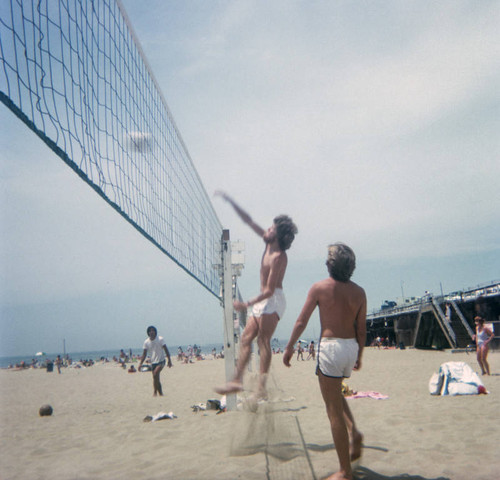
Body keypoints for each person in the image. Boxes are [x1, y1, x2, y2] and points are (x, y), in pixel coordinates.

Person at [283, 243, 366, 480]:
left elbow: (301, 321)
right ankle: (354, 433)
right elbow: (361, 329)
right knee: (336, 395)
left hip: (330, 348)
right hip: (350, 348)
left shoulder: (319, 288)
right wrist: (359, 355)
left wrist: (289, 347)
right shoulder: (360, 292)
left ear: (330, 265)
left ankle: (344, 472)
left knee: (333, 412)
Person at [214, 191, 297, 399]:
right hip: (262, 300)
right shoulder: (268, 242)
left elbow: (269, 290)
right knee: (245, 338)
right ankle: (236, 381)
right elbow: (248, 220)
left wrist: (245, 304)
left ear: (277, 235)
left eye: (271, 228)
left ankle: (261, 388)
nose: (267, 229)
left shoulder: (279, 256)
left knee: (263, 341)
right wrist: (231, 201)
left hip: (274, 298)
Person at [138, 326, 173, 396]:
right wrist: (140, 364)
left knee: (155, 373)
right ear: (148, 333)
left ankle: (155, 392)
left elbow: (166, 350)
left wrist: (169, 360)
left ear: (155, 332)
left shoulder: (160, 339)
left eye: (153, 331)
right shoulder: (146, 342)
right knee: (155, 377)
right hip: (153, 362)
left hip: (161, 360)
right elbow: (144, 354)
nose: (151, 332)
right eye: (150, 331)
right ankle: (160, 393)